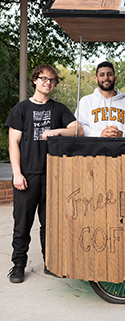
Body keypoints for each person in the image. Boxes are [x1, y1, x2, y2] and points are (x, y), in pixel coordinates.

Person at [5, 64, 82, 283]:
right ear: (35, 81)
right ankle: (18, 265)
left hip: (53, 176)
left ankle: (51, 263)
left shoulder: (59, 109)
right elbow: (14, 144)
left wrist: (58, 130)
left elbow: (78, 129)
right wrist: (17, 173)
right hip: (27, 176)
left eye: (52, 80)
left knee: (50, 224)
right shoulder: (21, 109)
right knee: (22, 223)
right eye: (44, 79)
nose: (48, 83)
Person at [76, 61, 125, 138]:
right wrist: (100, 134)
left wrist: (121, 134)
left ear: (115, 78)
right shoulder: (85, 102)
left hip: (121, 149)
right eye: (102, 75)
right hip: (94, 148)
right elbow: (79, 128)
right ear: (96, 79)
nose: (106, 78)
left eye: (109, 74)